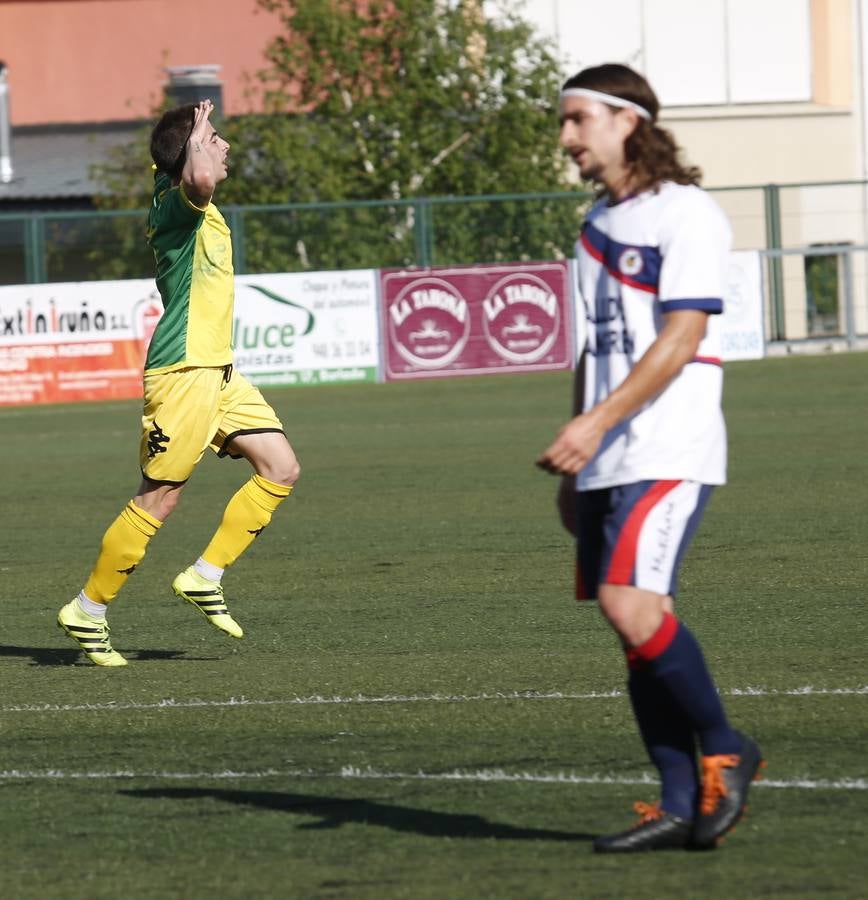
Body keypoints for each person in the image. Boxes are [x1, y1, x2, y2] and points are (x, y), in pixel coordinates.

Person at [537, 64, 763, 852]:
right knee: (638, 630)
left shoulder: (686, 213)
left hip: (668, 443)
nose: (565, 137)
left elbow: (684, 336)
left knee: (628, 607)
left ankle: (728, 750)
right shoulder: (597, 223)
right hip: (606, 451)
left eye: (577, 120)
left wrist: (597, 425)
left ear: (627, 120)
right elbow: (590, 351)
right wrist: (580, 449)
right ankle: (675, 802)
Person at [57, 100, 300, 667]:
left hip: (219, 371)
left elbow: (203, 172)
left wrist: (198, 134)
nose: (225, 144)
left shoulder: (196, 206)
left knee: (282, 467)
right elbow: (198, 175)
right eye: (216, 136)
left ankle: (204, 576)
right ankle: (88, 610)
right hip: (183, 374)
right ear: (190, 149)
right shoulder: (175, 203)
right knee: (160, 498)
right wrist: (195, 134)